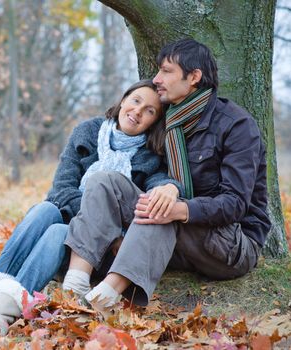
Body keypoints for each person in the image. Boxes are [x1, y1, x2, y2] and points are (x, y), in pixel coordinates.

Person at [0, 79, 184, 335]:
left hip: (96, 248)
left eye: (150, 110)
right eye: (136, 100)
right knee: (45, 210)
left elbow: (159, 184)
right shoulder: (87, 131)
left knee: (58, 232)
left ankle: (2, 312)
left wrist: (170, 187)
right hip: (66, 224)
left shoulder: (151, 155)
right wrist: (92, 213)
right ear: (123, 100)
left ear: (154, 121)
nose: (138, 111)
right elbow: (60, 189)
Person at [62, 38, 271, 310]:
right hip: (179, 238)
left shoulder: (236, 125)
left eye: (166, 71)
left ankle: (105, 298)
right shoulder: (169, 122)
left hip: (231, 243)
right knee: (106, 181)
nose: (156, 78)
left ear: (194, 77)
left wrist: (179, 209)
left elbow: (235, 204)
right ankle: (74, 284)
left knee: (159, 209)